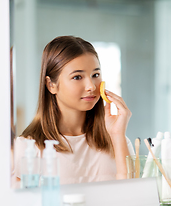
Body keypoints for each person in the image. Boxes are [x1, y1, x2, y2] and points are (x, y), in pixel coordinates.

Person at [12, 36, 133, 187]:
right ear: (51, 85)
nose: (91, 86)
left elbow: (132, 197)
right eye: (77, 77)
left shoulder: (117, 140)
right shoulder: (28, 148)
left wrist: (117, 135)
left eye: (95, 75)